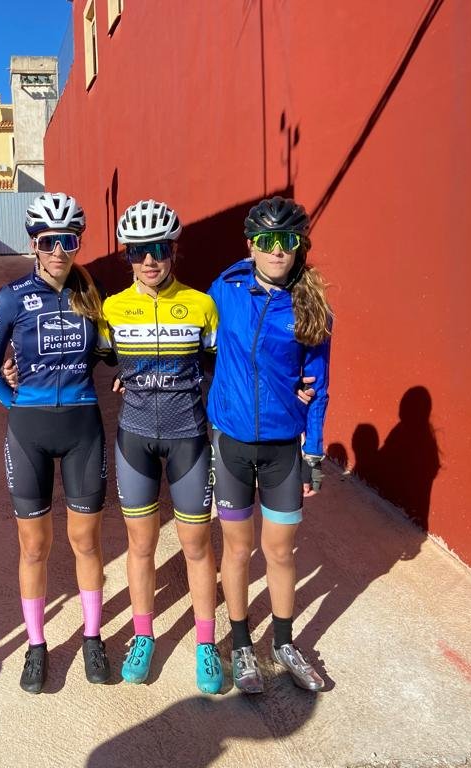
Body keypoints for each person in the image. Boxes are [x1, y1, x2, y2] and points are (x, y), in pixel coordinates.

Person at [0, 192, 110, 693]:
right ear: (33, 243)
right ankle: (36, 646)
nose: (58, 250)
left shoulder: (92, 295)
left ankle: (92, 637)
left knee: (86, 542)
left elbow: (113, 353)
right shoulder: (10, 297)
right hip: (29, 432)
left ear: (78, 244)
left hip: (83, 430)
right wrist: (17, 405)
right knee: (34, 547)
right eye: (48, 240)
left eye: (68, 241)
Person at [207, 196, 332, 694]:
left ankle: (283, 643)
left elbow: (319, 386)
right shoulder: (226, 288)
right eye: (267, 240)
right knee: (238, 550)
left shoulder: (311, 306)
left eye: (288, 240)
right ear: (251, 245)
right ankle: (241, 644)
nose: (277, 250)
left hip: (282, 447)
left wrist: (313, 452)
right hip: (232, 443)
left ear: (301, 245)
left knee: (279, 551)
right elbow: (189, 337)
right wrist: (132, 370)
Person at [99, 199, 224, 694]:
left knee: (196, 545)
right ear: (127, 256)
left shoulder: (201, 304)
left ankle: (207, 644)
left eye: (158, 248)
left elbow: (224, 365)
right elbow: (91, 359)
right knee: (140, 545)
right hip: (135, 438)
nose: (149, 260)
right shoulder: (112, 308)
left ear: (174, 250)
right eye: (138, 250)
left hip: (188, 437)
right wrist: (16, 369)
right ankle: (144, 635)